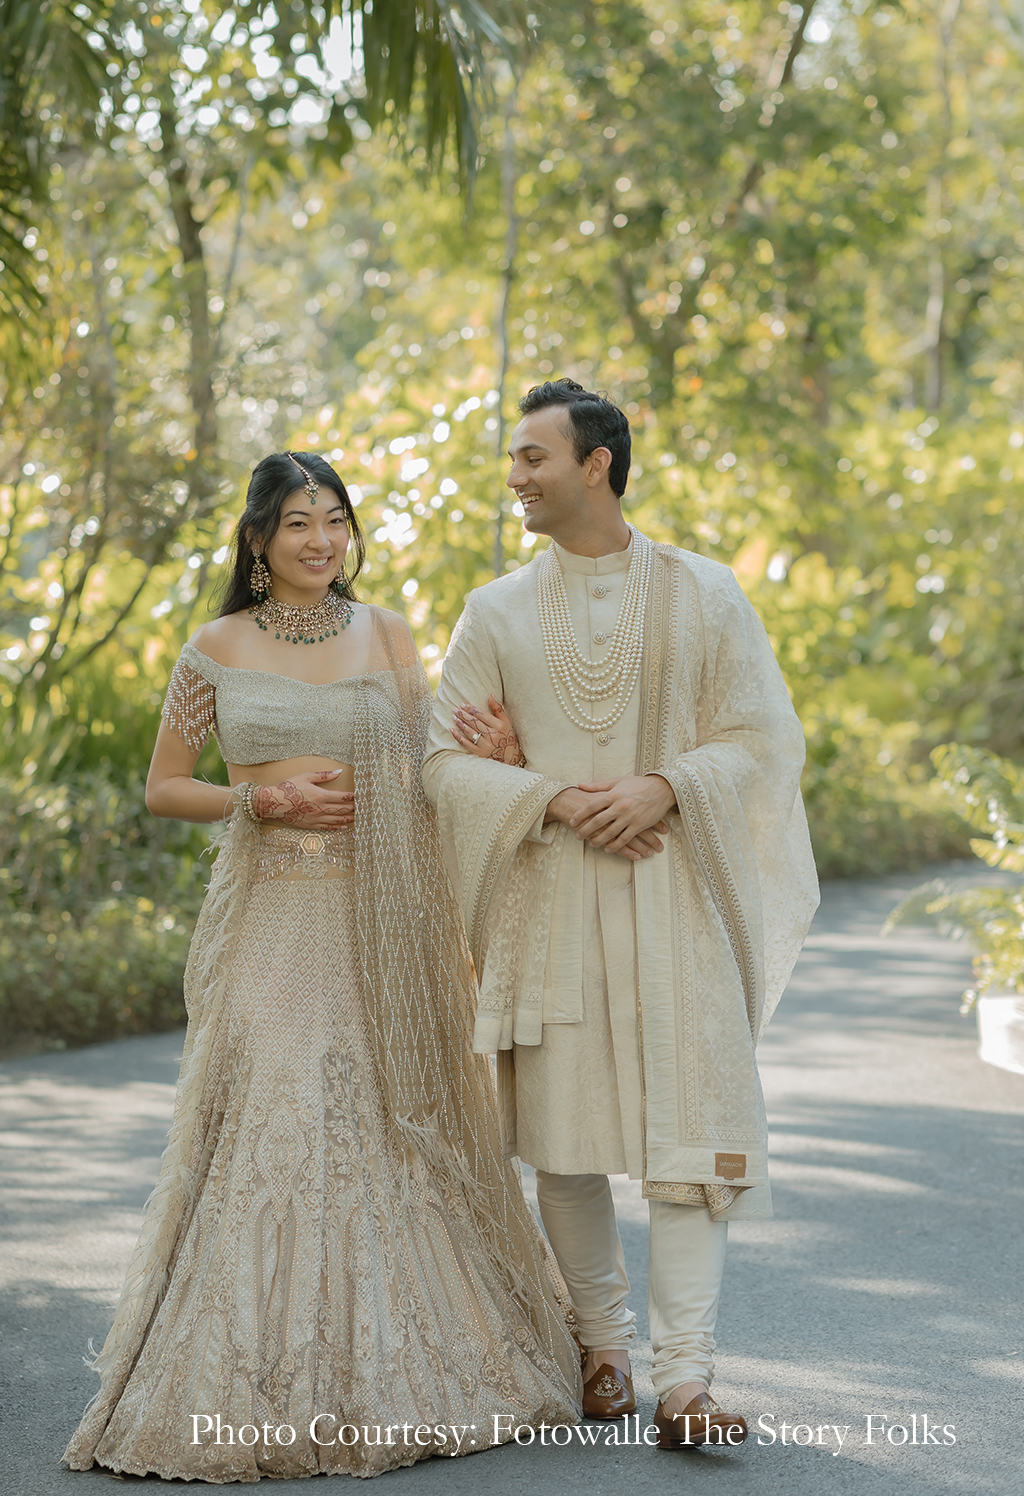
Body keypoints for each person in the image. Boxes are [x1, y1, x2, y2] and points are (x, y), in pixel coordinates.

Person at [62, 450, 581, 1483]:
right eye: (297, 523)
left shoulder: (386, 634)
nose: (319, 541)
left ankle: (404, 1361)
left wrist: (497, 760)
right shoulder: (213, 647)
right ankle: (248, 1372)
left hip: (378, 916)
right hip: (267, 912)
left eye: (334, 521)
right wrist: (259, 801)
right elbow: (165, 787)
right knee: (279, 1103)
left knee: (377, 1110)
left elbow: (428, 773)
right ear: (258, 540)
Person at [423, 379, 818, 1453]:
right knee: (564, 1140)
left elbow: (762, 739)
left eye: (530, 459)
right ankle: (601, 1350)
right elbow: (437, 759)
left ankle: (685, 1383)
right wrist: (542, 795)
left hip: (673, 899)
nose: (514, 478)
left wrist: (667, 784)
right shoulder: (492, 611)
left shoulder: (703, 593)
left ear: (594, 463)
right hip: (547, 901)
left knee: (687, 1141)